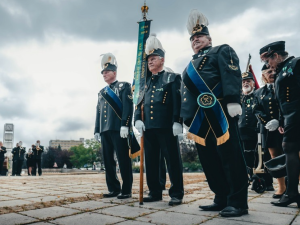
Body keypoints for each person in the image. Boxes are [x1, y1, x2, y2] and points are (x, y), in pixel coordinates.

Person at [180, 10, 248, 217]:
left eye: (199, 36)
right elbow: (186, 94)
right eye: (192, 38)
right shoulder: (189, 65)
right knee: (210, 160)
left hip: (221, 111)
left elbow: (231, 73)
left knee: (230, 157)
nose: (195, 40)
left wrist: (233, 100)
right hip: (200, 119)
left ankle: (237, 202)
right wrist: (185, 118)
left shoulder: (221, 50)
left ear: (209, 38)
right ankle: (221, 197)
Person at [134, 34, 184, 206]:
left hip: (167, 127)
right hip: (149, 128)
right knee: (152, 162)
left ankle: (176, 193)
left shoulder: (172, 78)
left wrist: (178, 121)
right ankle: (155, 191)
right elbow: (138, 102)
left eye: (153, 58)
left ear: (162, 60)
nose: (150, 61)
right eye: (148, 59)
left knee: (172, 161)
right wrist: (136, 120)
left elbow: (178, 102)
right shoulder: (145, 82)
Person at [260, 41, 300, 207]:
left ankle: (291, 193)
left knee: (290, 150)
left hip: (297, 114)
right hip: (290, 118)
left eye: (268, 60)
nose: (268, 65)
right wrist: (282, 120)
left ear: (275, 55)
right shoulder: (281, 72)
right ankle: (291, 192)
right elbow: (281, 100)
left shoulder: (296, 64)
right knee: (289, 150)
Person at [94, 53, 133, 199]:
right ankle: (113, 188)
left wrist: (125, 124)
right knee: (108, 161)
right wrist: (96, 130)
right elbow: (98, 112)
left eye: (107, 71)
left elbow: (128, 107)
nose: (104, 74)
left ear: (114, 72)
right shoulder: (101, 92)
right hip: (104, 130)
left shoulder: (124, 86)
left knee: (123, 159)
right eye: (103, 72)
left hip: (118, 129)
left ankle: (126, 189)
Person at [253, 65, 286, 198]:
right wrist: (266, 122)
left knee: (292, 156)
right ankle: (282, 187)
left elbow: (287, 105)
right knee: (275, 157)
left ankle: (294, 186)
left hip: (285, 127)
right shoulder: (258, 92)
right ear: (263, 75)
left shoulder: (284, 87)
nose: (272, 73)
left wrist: (280, 121)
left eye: (274, 71)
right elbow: (257, 110)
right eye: (269, 71)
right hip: (269, 129)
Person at [239, 72, 273, 191]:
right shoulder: (239, 98)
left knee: (263, 156)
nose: (246, 83)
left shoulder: (258, 95)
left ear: (253, 83)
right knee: (247, 157)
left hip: (258, 130)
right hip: (243, 131)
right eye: (243, 81)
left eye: (248, 81)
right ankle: (252, 178)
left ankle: (268, 182)